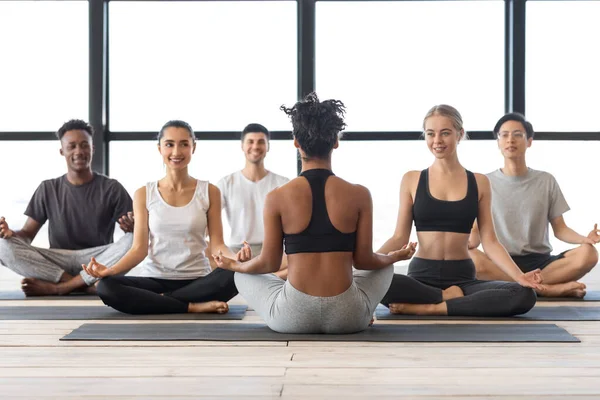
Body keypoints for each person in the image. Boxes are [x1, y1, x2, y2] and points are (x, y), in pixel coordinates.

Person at [213, 93, 414, 333]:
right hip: (348, 318)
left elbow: (269, 262)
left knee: (242, 276)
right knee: (385, 266)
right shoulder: (359, 194)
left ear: (296, 142)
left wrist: (234, 266)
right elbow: (364, 261)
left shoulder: (277, 196)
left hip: (291, 317)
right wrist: (394, 257)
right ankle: (365, 310)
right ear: (335, 141)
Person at [378, 105, 541, 317]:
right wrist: (366, 264)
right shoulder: (412, 179)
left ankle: (434, 306)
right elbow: (399, 236)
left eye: (445, 133)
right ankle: (447, 298)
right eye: (430, 134)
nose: (437, 140)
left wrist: (520, 277)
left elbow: (490, 241)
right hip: (420, 276)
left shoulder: (479, 182)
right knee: (378, 281)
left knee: (523, 295)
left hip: (463, 278)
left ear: (459, 134)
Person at [83, 120, 238, 314]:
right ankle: (190, 306)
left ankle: (159, 302)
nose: (176, 152)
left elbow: (218, 245)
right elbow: (139, 249)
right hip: (154, 279)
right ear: (159, 148)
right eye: (169, 144)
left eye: (184, 144)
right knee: (105, 286)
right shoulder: (143, 193)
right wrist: (110, 271)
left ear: (193, 147)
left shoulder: (210, 191)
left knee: (236, 274)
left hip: (197, 280)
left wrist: (237, 259)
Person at [468, 112, 597, 298]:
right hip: (499, 261)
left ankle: (522, 286)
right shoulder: (483, 182)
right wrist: (459, 244)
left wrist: (585, 239)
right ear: (498, 142)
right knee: (469, 257)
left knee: (589, 254)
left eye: (517, 134)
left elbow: (560, 229)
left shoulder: (546, 180)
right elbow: (476, 234)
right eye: (504, 135)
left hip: (541, 262)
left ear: (529, 141)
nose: (510, 140)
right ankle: (548, 289)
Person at [0, 119, 133, 296]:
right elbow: (27, 235)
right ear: (62, 151)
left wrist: (132, 228)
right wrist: (10, 235)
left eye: (84, 145)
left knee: (136, 238)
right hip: (57, 261)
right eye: (72, 146)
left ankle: (60, 287)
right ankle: (84, 284)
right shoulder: (48, 188)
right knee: (2, 245)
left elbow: (134, 233)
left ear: (92, 149)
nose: (79, 151)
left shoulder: (112, 188)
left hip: (97, 260)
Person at [215, 123, 290, 278]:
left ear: (268, 147)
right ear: (242, 146)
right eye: (250, 141)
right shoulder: (226, 183)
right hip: (237, 251)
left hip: (273, 252)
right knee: (211, 256)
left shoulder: (283, 183)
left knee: (301, 260)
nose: (255, 146)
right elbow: (210, 225)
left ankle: (267, 277)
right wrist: (233, 259)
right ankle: (262, 277)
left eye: (261, 142)